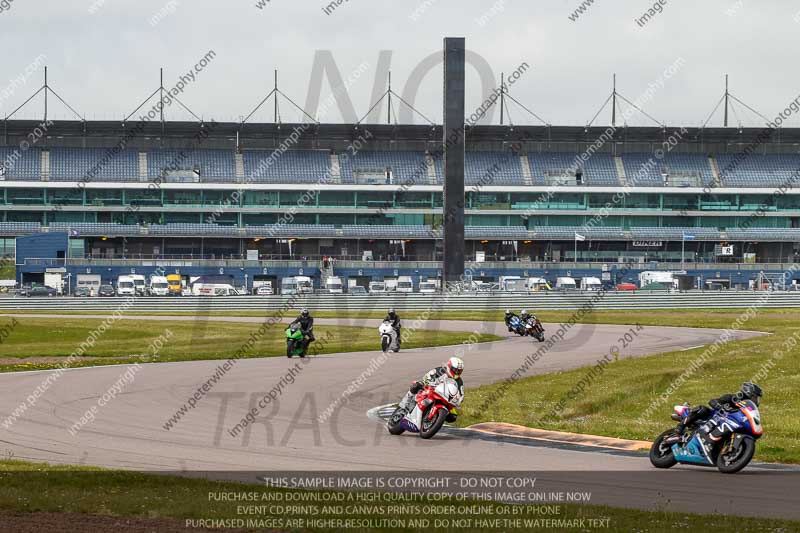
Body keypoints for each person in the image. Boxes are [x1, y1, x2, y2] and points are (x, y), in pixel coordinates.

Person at [671, 382, 763, 448]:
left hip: (728, 425)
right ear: (748, 393)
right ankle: (678, 431)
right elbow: (713, 401)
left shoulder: (747, 408)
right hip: (713, 418)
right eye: (755, 397)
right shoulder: (732, 398)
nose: (756, 400)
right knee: (702, 409)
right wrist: (720, 406)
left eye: (757, 399)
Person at [397, 357, 464, 422]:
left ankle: (436, 419)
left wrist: (459, 400)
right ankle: (405, 404)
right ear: (449, 367)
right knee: (416, 385)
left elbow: (461, 394)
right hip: (430, 389)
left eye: (459, 371)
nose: (457, 372)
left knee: (453, 416)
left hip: (445, 398)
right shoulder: (440, 370)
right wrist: (428, 382)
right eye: (455, 370)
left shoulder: (459, 381)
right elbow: (428, 376)